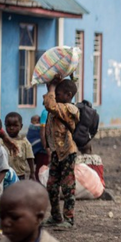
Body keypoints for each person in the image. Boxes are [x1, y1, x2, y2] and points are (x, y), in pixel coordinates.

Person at [42, 76, 79, 229]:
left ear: (68, 95)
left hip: (68, 152)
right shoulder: (59, 106)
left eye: (58, 93)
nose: (55, 96)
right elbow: (49, 103)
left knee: (67, 185)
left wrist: (51, 89)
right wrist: (50, 85)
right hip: (58, 152)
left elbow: (50, 105)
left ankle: (69, 219)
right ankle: (56, 216)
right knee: (51, 185)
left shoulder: (70, 109)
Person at [3, 112, 35, 181]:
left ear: (21, 126)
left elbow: (30, 158)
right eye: (8, 125)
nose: (11, 128)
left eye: (15, 126)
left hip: (19, 175)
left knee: (18, 191)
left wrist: (32, 173)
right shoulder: (2, 141)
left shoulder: (24, 142)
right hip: (4, 175)